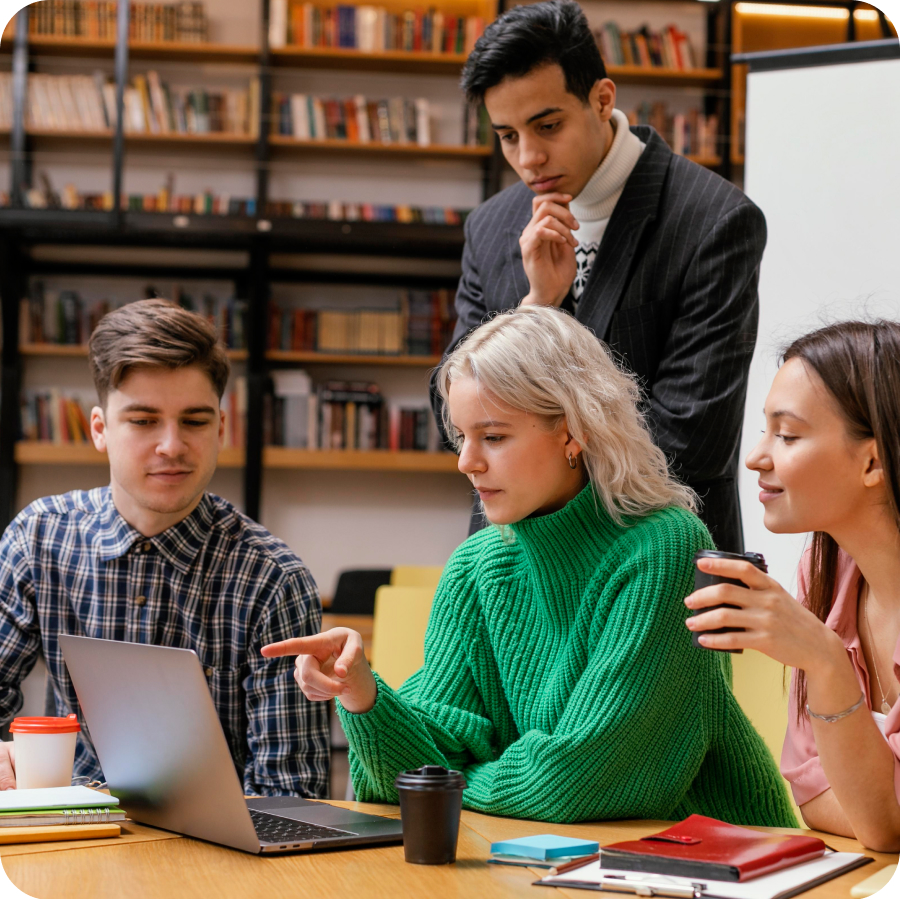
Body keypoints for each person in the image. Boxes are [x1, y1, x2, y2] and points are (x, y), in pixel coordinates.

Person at [265, 307, 796, 826]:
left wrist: (455, 783)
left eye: (493, 437)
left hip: (705, 867)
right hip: (544, 861)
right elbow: (405, 782)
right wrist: (363, 696)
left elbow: (584, 781)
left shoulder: (664, 549)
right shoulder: (477, 566)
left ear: (571, 432)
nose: (466, 462)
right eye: (462, 437)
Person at [432, 0, 765, 553]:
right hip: (512, 567)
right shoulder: (490, 228)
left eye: (547, 125)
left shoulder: (714, 220)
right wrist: (537, 305)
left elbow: (690, 436)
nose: (529, 157)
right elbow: (450, 409)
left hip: (656, 562)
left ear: (602, 99)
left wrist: (532, 460)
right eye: (508, 135)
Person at [0, 299, 329, 796]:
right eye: (143, 420)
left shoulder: (273, 579)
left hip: (220, 855)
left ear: (221, 428)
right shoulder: (39, 538)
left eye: (194, 422)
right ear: (99, 430)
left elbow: (293, 795)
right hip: (71, 830)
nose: (171, 446)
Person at [684, 320, 900, 852]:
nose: (757, 457)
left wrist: (826, 661)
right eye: (765, 430)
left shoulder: (817, 623)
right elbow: (808, 795)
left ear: (873, 460)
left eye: (788, 434)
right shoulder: (824, 574)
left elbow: (884, 826)